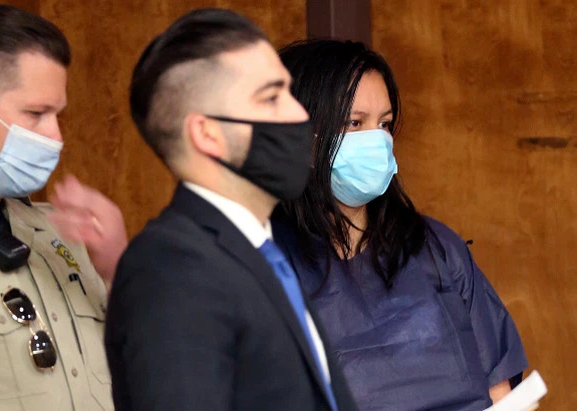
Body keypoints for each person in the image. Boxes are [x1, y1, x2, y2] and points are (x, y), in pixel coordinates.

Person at [104, 8, 357, 411]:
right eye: (271, 97)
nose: (300, 115)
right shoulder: (171, 267)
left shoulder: (258, 254)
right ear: (207, 133)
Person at [270, 39, 529, 411]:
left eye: (385, 124)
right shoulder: (261, 265)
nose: (376, 140)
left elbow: (503, 391)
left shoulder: (437, 249)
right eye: (355, 123)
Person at [0, 4, 115, 410]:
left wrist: (117, 266)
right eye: (36, 114)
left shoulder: (63, 230)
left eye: (57, 115)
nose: (56, 137)